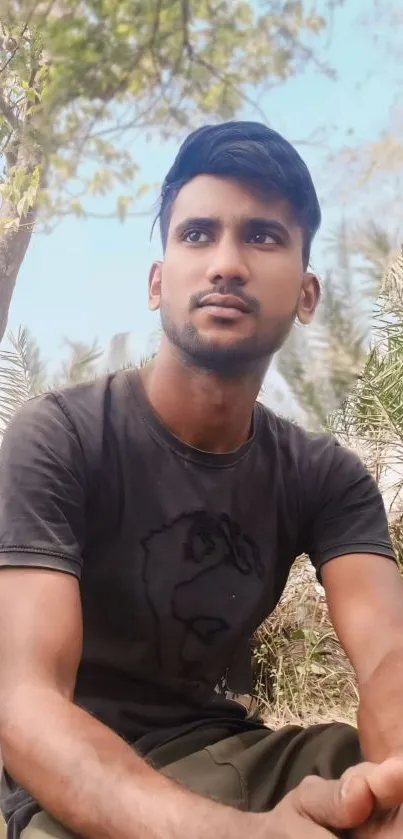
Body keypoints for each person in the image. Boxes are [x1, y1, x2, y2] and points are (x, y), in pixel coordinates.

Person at [0, 121, 403, 839]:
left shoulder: (325, 477)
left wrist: (392, 773)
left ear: (306, 294)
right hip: (75, 792)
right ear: (158, 283)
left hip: (235, 752)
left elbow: (387, 657)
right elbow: (23, 702)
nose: (225, 262)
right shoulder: (57, 437)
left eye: (262, 236)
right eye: (195, 235)